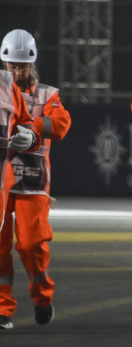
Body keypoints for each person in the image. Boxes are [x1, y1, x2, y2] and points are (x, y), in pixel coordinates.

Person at [0, 30, 60, 329]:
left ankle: (42, 296)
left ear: (32, 65)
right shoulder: (0, 90)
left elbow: (60, 124)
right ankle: (3, 308)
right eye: (12, 66)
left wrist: (31, 130)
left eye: (22, 66)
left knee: (31, 245)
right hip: (2, 180)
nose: (17, 71)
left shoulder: (47, 95)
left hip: (33, 181)